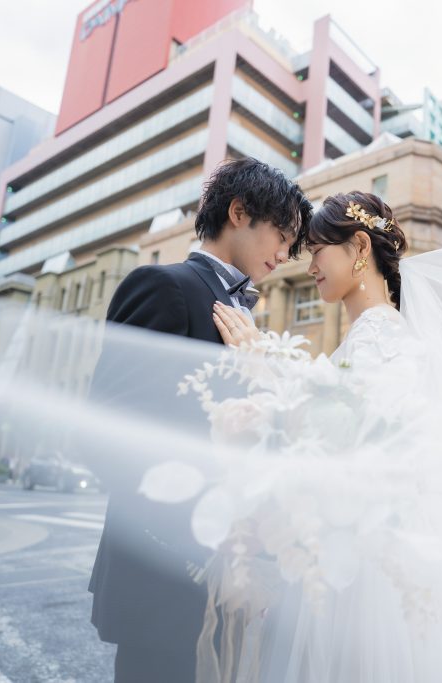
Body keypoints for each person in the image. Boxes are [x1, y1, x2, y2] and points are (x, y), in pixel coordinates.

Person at [211, 191, 442, 682]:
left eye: (318, 251)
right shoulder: (370, 338)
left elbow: (350, 447)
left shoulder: (385, 340)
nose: (310, 268)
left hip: (368, 580)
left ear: (360, 247)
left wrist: (267, 371)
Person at [86, 158, 312, 683]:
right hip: (164, 569)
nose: (284, 255)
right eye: (281, 236)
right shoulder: (164, 286)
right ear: (239, 212)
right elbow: (108, 430)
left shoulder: (247, 315)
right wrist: (196, 532)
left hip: (228, 571)